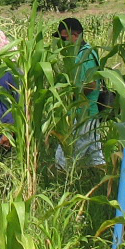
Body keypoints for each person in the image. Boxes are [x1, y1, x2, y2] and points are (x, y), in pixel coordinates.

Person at [54, 16, 105, 170]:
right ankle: (105, 184)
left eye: (64, 38)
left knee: (64, 154)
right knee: (96, 155)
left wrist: (70, 95)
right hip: (90, 113)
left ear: (75, 35)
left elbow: (91, 84)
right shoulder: (83, 53)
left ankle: (62, 183)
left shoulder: (85, 55)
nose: (63, 43)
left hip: (84, 113)